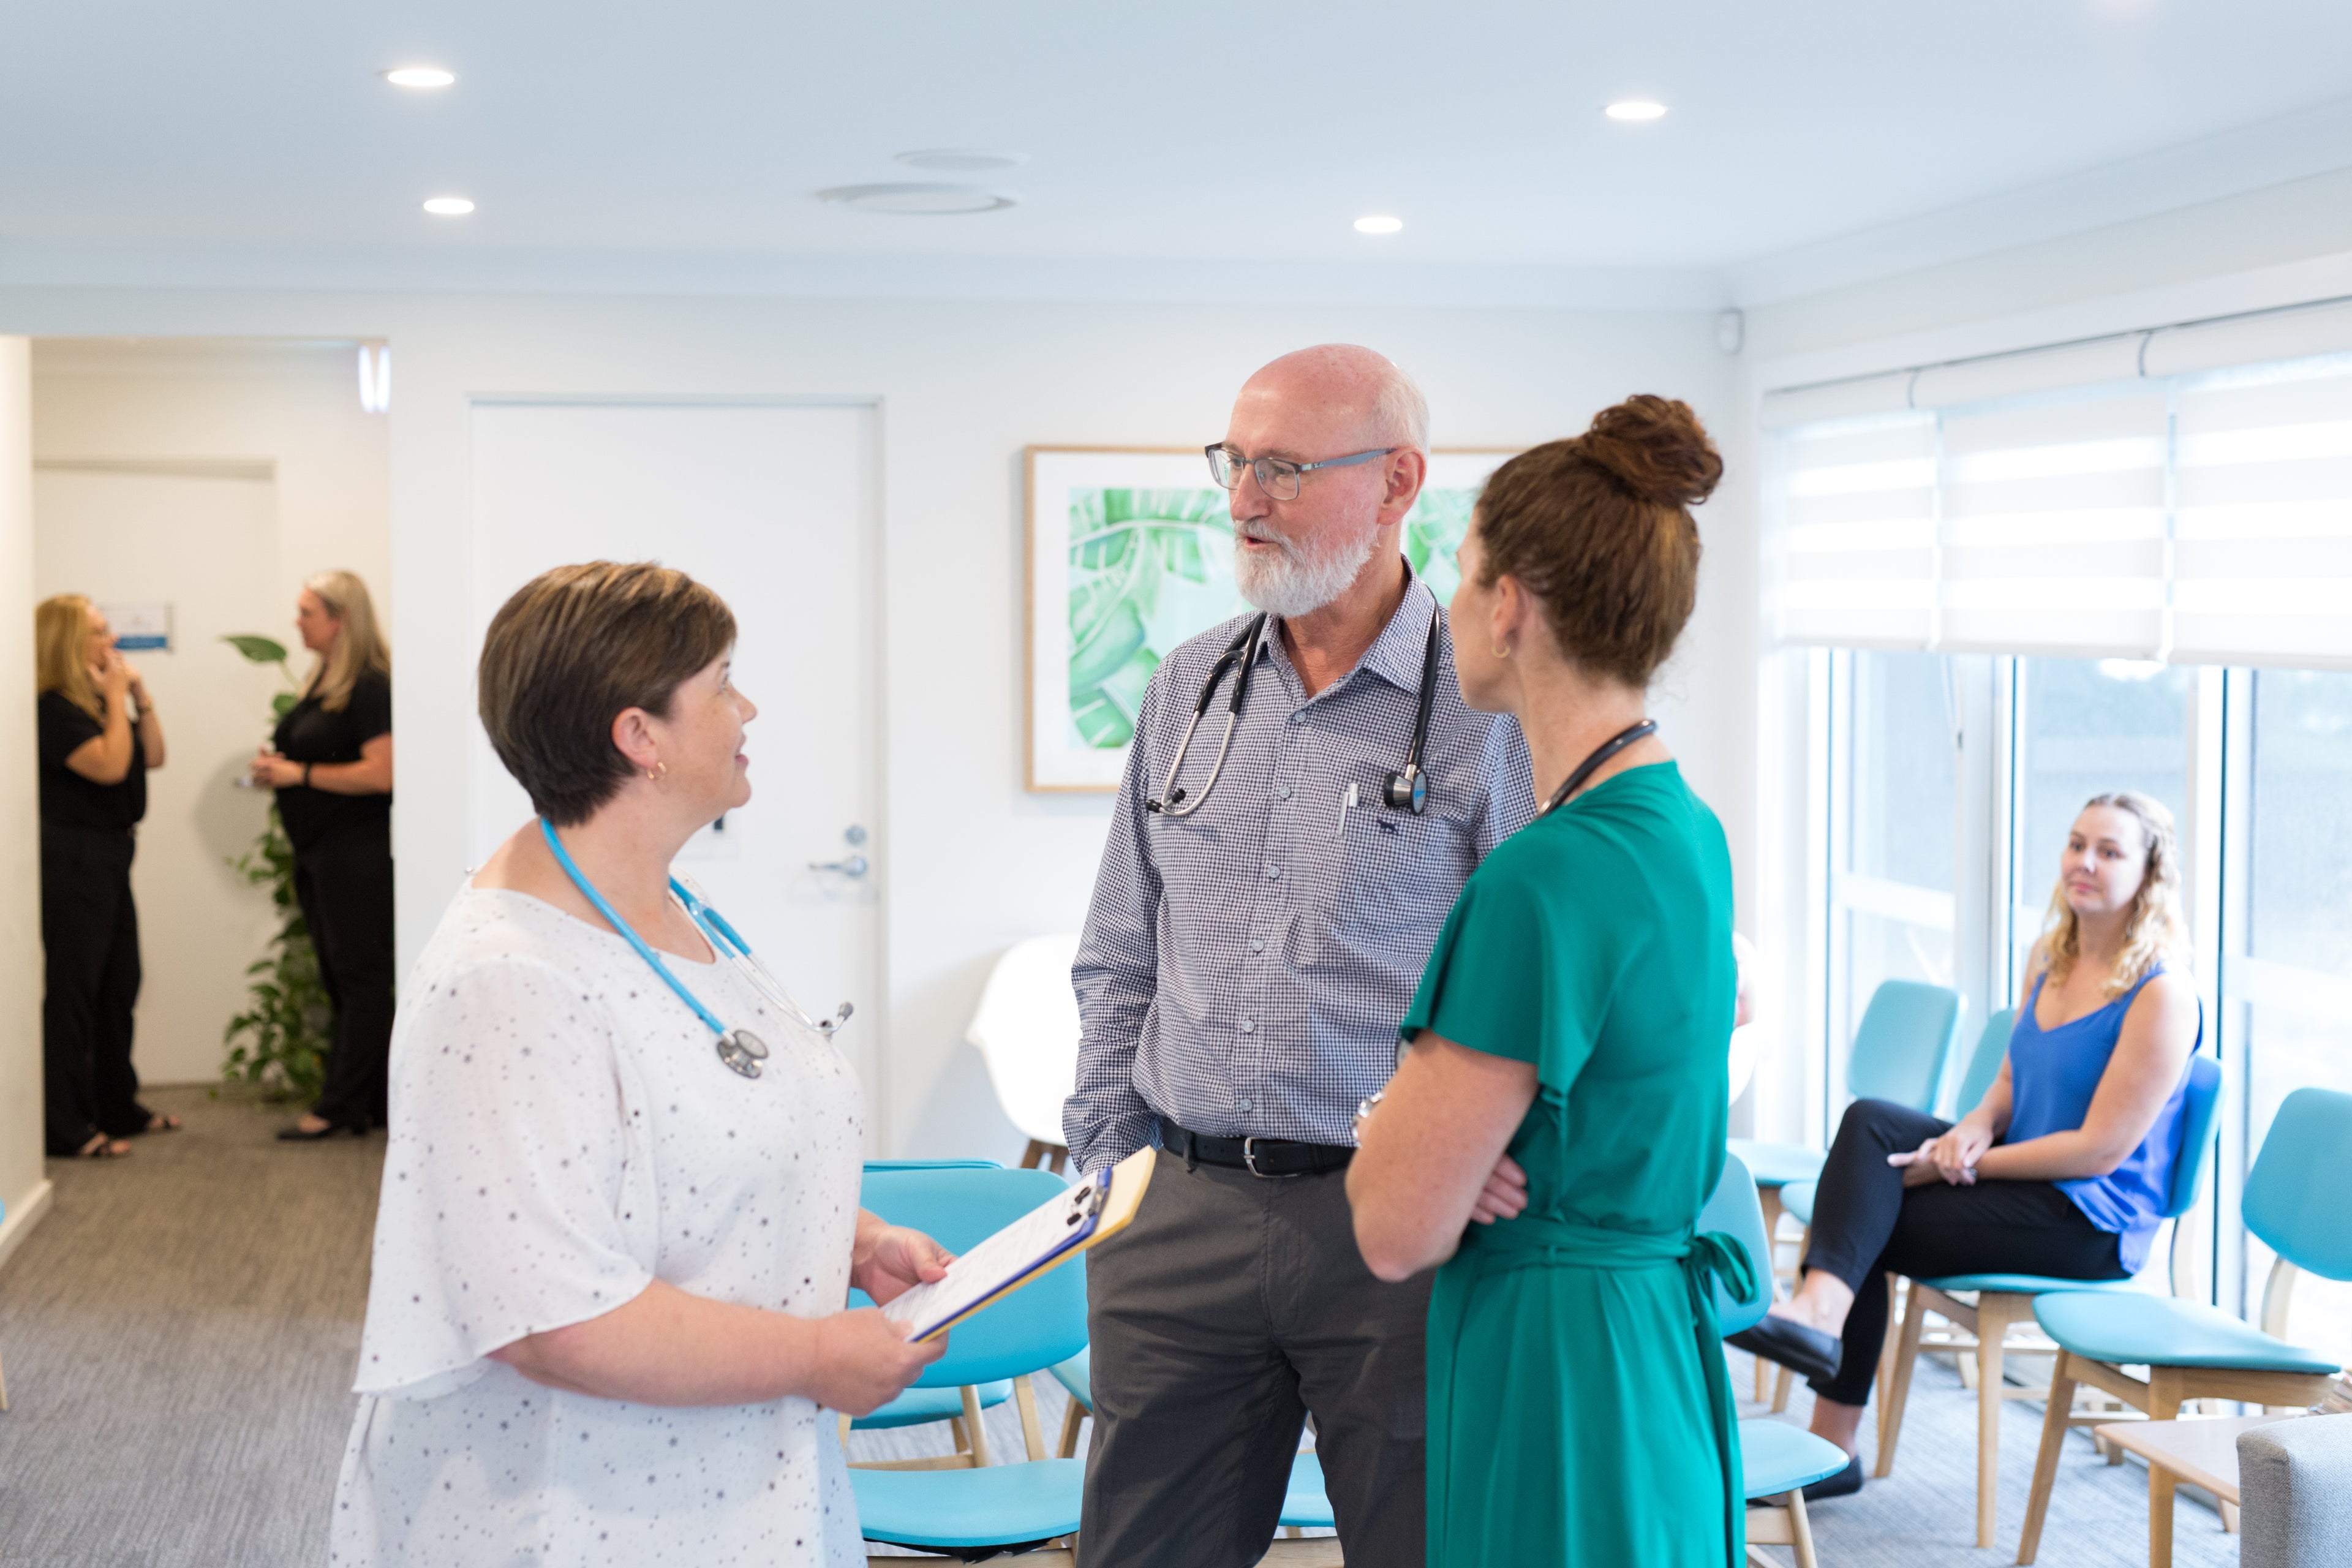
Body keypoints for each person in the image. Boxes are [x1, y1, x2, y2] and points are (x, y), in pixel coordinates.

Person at [333, 560, 951, 1567]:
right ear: (638, 736)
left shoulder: (675, 912)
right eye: (722, 684)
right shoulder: (507, 982)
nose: (748, 707)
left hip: (730, 1479)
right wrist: (814, 1355)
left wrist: (849, 1239)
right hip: (575, 1508)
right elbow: (549, 1320)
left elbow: (691, 1150)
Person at [1063, 345, 1536, 1568]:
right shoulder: (1188, 687)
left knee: (1427, 1543)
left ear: (1397, 484)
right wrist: (1116, 1175)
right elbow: (1120, 953)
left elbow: (1542, 985)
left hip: (1392, 1229)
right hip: (1179, 1212)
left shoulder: (1491, 710)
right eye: (1235, 462)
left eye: (1283, 468)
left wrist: (1485, 1150)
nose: (1243, 499)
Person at [1349, 397, 1752, 1567]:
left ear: (1512, 606)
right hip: (1650, 1348)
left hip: (1558, 1365)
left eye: (1463, 577)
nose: (1452, 606)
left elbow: (1390, 1225)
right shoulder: (1687, 830)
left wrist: (1408, 1136)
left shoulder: (1542, 879)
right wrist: (1453, 1141)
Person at [1728, 791, 2201, 1499]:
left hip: (2090, 1219)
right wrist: (1973, 1127)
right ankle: (1819, 1316)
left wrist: (1959, 1163)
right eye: (2077, 844)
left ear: (2149, 873)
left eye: (2109, 851)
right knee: (1871, 1123)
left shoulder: (2162, 994)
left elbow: (2101, 1150)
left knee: (1872, 1218)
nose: (2085, 862)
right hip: (2021, 1176)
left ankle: (1832, 1436)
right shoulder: (2053, 955)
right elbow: (2012, 1078)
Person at [247, 570, 396, 1139]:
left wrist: (299, 772)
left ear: (341, 620)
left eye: (307, 611)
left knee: (360, 979)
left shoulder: (369, 686)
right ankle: (367, 1102)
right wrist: (280, 771)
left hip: (353, 855)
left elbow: (383, 774)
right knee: (342, 979)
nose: (297, 621)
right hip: (319, 854)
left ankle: (340, 1107)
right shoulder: (322, 681)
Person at [36, 594, 172, 1159]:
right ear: (67, 640)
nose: (110, 641)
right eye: (97, 631)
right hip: (74, 860)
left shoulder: (97, 705)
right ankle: (65, 1127)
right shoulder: (51, 709)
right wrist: (117, 696)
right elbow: (111, 765)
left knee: (120, 984)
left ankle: (118, 1106)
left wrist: (140, 699)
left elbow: (155, 756)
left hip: (112, 856)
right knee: (76, 992)